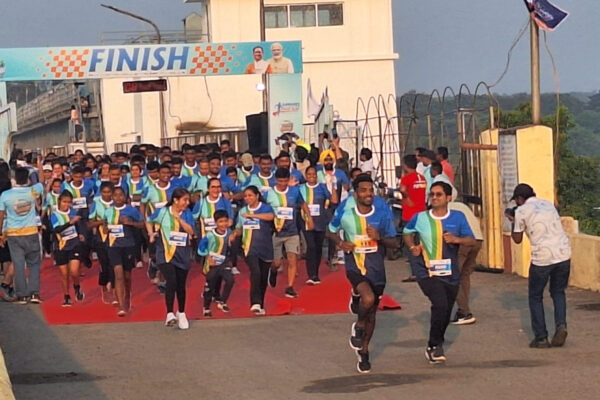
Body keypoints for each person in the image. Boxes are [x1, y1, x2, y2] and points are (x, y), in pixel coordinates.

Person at [328, 174, 397, 374]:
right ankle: (358, 324)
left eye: (371, 190)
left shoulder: (382, 214)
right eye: (364, 190)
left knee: (372, 312)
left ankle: (364, 351)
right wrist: (341, 243)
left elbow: (394, 243)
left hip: (376, 268)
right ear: (356, 193)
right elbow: (330, 230)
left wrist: (380, 238)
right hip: (355, 266)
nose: (368, 194)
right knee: (368, 298)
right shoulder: (346, 213)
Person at [403, 182, 475, 364]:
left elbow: (471, 241)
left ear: (449, 198)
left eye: (439, 195)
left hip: (450, 272)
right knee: (440, 304)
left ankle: (436, 343)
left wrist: (456, 239)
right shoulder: (421, 217)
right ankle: (435, 345)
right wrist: (413, 247)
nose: (434, 198)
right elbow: (406, 232)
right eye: (432, 195)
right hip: (426, 271)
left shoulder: (458, 217)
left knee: (446, 309)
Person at [506, 183, 571, 348]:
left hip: (542, 257)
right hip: (563, 253)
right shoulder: (548, 204)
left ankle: (541, 337)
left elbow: (517, 239)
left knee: (535, 296)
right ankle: (561, 325)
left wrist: (514, 221)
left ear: (520, 199)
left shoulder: (521, 211)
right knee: (558, 292)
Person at [147, 188, 196, 330]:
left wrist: (179, 219)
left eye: (188, 200)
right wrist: (151, 233)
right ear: (175, 200)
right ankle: (169, 314)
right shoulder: (162, 212)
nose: (187, 203)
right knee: (171, 280)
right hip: (165, 253)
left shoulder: (187, 214)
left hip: (182, 253)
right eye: (184, 200)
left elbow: (191, 231)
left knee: (181, 285)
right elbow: (149, 220)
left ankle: (181, 313)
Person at [266, 167, 314, 298]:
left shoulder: (295, 191)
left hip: (293, 231)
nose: (282, 184)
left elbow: (303, 204)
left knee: (293, 259)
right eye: (280, 181)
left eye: (285, 181)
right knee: (277, 262)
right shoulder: (269, 194)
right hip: (276, 232)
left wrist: (309, 218)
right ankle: (273, 270)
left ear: (288, 180)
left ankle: (290, 287)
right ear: (276, 180)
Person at [0, 167, 44, 304]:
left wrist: (0, 233)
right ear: (28, 179)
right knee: (34, 264)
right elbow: (41, 181)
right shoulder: (33, 191)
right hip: (31, 232)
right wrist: (39, 165)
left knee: (18, 264)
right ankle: (34, 293)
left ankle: (22, 295)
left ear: (14, 179)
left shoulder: (5, 195)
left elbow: (1, 215)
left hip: (13, 233)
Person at [230, 185, 275, 315]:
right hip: (249, 248)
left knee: (262, 276)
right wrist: (234, 234)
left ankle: (260, 304)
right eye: (245, 196)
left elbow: (271, 216)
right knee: (255, 272)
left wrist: (252, 215)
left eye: (250, 195)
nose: (247, 198)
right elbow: (239, 227)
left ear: (257, 196)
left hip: (265, 247)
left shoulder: (265, 208)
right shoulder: (242, 211)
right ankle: (255, 302)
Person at [103, 187, 145, 317]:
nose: (118, 197)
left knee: (127, 276)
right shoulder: (108, 211)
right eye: (115, 195)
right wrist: (106, 229)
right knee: (118, 274)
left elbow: (142, 224)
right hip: (113, 246)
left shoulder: (131, 210)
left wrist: (130, 223)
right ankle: (121, 306)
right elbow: (105, 226)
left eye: (120, 195)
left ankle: (127, 296)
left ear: (124, 196)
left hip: (129, 245)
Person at [300, 165, 337, 284]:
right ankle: (311, 274)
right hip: (305, 221)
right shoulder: (300, 188)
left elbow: (334, 201)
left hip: (320, 221)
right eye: (309, 174)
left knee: (318, 247)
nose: (312, 177)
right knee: (310, 246)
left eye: (314, 174)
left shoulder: (322, 187)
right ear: (306, 176)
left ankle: (315, 273)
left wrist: (332, 185)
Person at [449, 201, 484, 325]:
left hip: (464, 241)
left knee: (453, 276)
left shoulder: (444, 210)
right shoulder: (461, 206)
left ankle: (464, 311)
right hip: (478, 240)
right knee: (464, 276)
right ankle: (462, 309)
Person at [50, 191, 86, 307]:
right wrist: (70, 223)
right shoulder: (54, 215)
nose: (66, 205)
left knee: (74, 271)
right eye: (64, 202)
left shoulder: (74, 212)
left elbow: (78, 225)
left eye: (69, 202)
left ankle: (77, 286)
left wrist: (80, 234)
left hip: (74, 244)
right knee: (64, 273)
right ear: (59, 201)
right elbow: (56, 230)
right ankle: (66, 296)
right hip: (61, 246)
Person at [198, 210, 235, 316]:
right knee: (210, 286)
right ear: (215, 222)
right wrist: (208, 257)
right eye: (220, 222)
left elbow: (231, 246)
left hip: (224, 263)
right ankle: (206, 308)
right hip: (212, 264)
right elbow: (201, 248)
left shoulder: (229, 233)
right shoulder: (210, 235)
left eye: (225, 221)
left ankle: (222, 301)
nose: (223, 224)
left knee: (230, 280)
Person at [399, 154, 427, 283]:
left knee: (410, 244)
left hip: (409, 214)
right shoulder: (421, 178)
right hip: (421, 212)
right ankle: (424, 269)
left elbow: (403, 190)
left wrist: (406, 198)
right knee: (420, 243)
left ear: (405, 165)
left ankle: (415, 273)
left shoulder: (407, 179)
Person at [88, 182, 117, 305]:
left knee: (115, 265)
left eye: (109, 192)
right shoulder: (96, 204)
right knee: (104, 266)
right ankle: (104, 289)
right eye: (104, 192)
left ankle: (115, 291)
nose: (106, 195)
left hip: (116, 239)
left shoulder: (118, 203)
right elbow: (90, 223)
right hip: (101, 240)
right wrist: (102, 222)